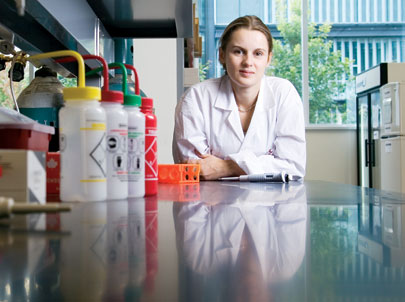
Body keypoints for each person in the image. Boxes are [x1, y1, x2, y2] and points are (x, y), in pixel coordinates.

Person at [173, 15, 306, 180]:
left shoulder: (284, 93)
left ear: (268, 59)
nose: (248, 62)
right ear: (222, 55)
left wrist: (226, 167)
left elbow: (293, 167)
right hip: (209, 203)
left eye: (258, 53)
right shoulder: (195, 98)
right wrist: (264, 165)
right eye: (238, 51)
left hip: (272, 203)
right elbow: (195, 169)